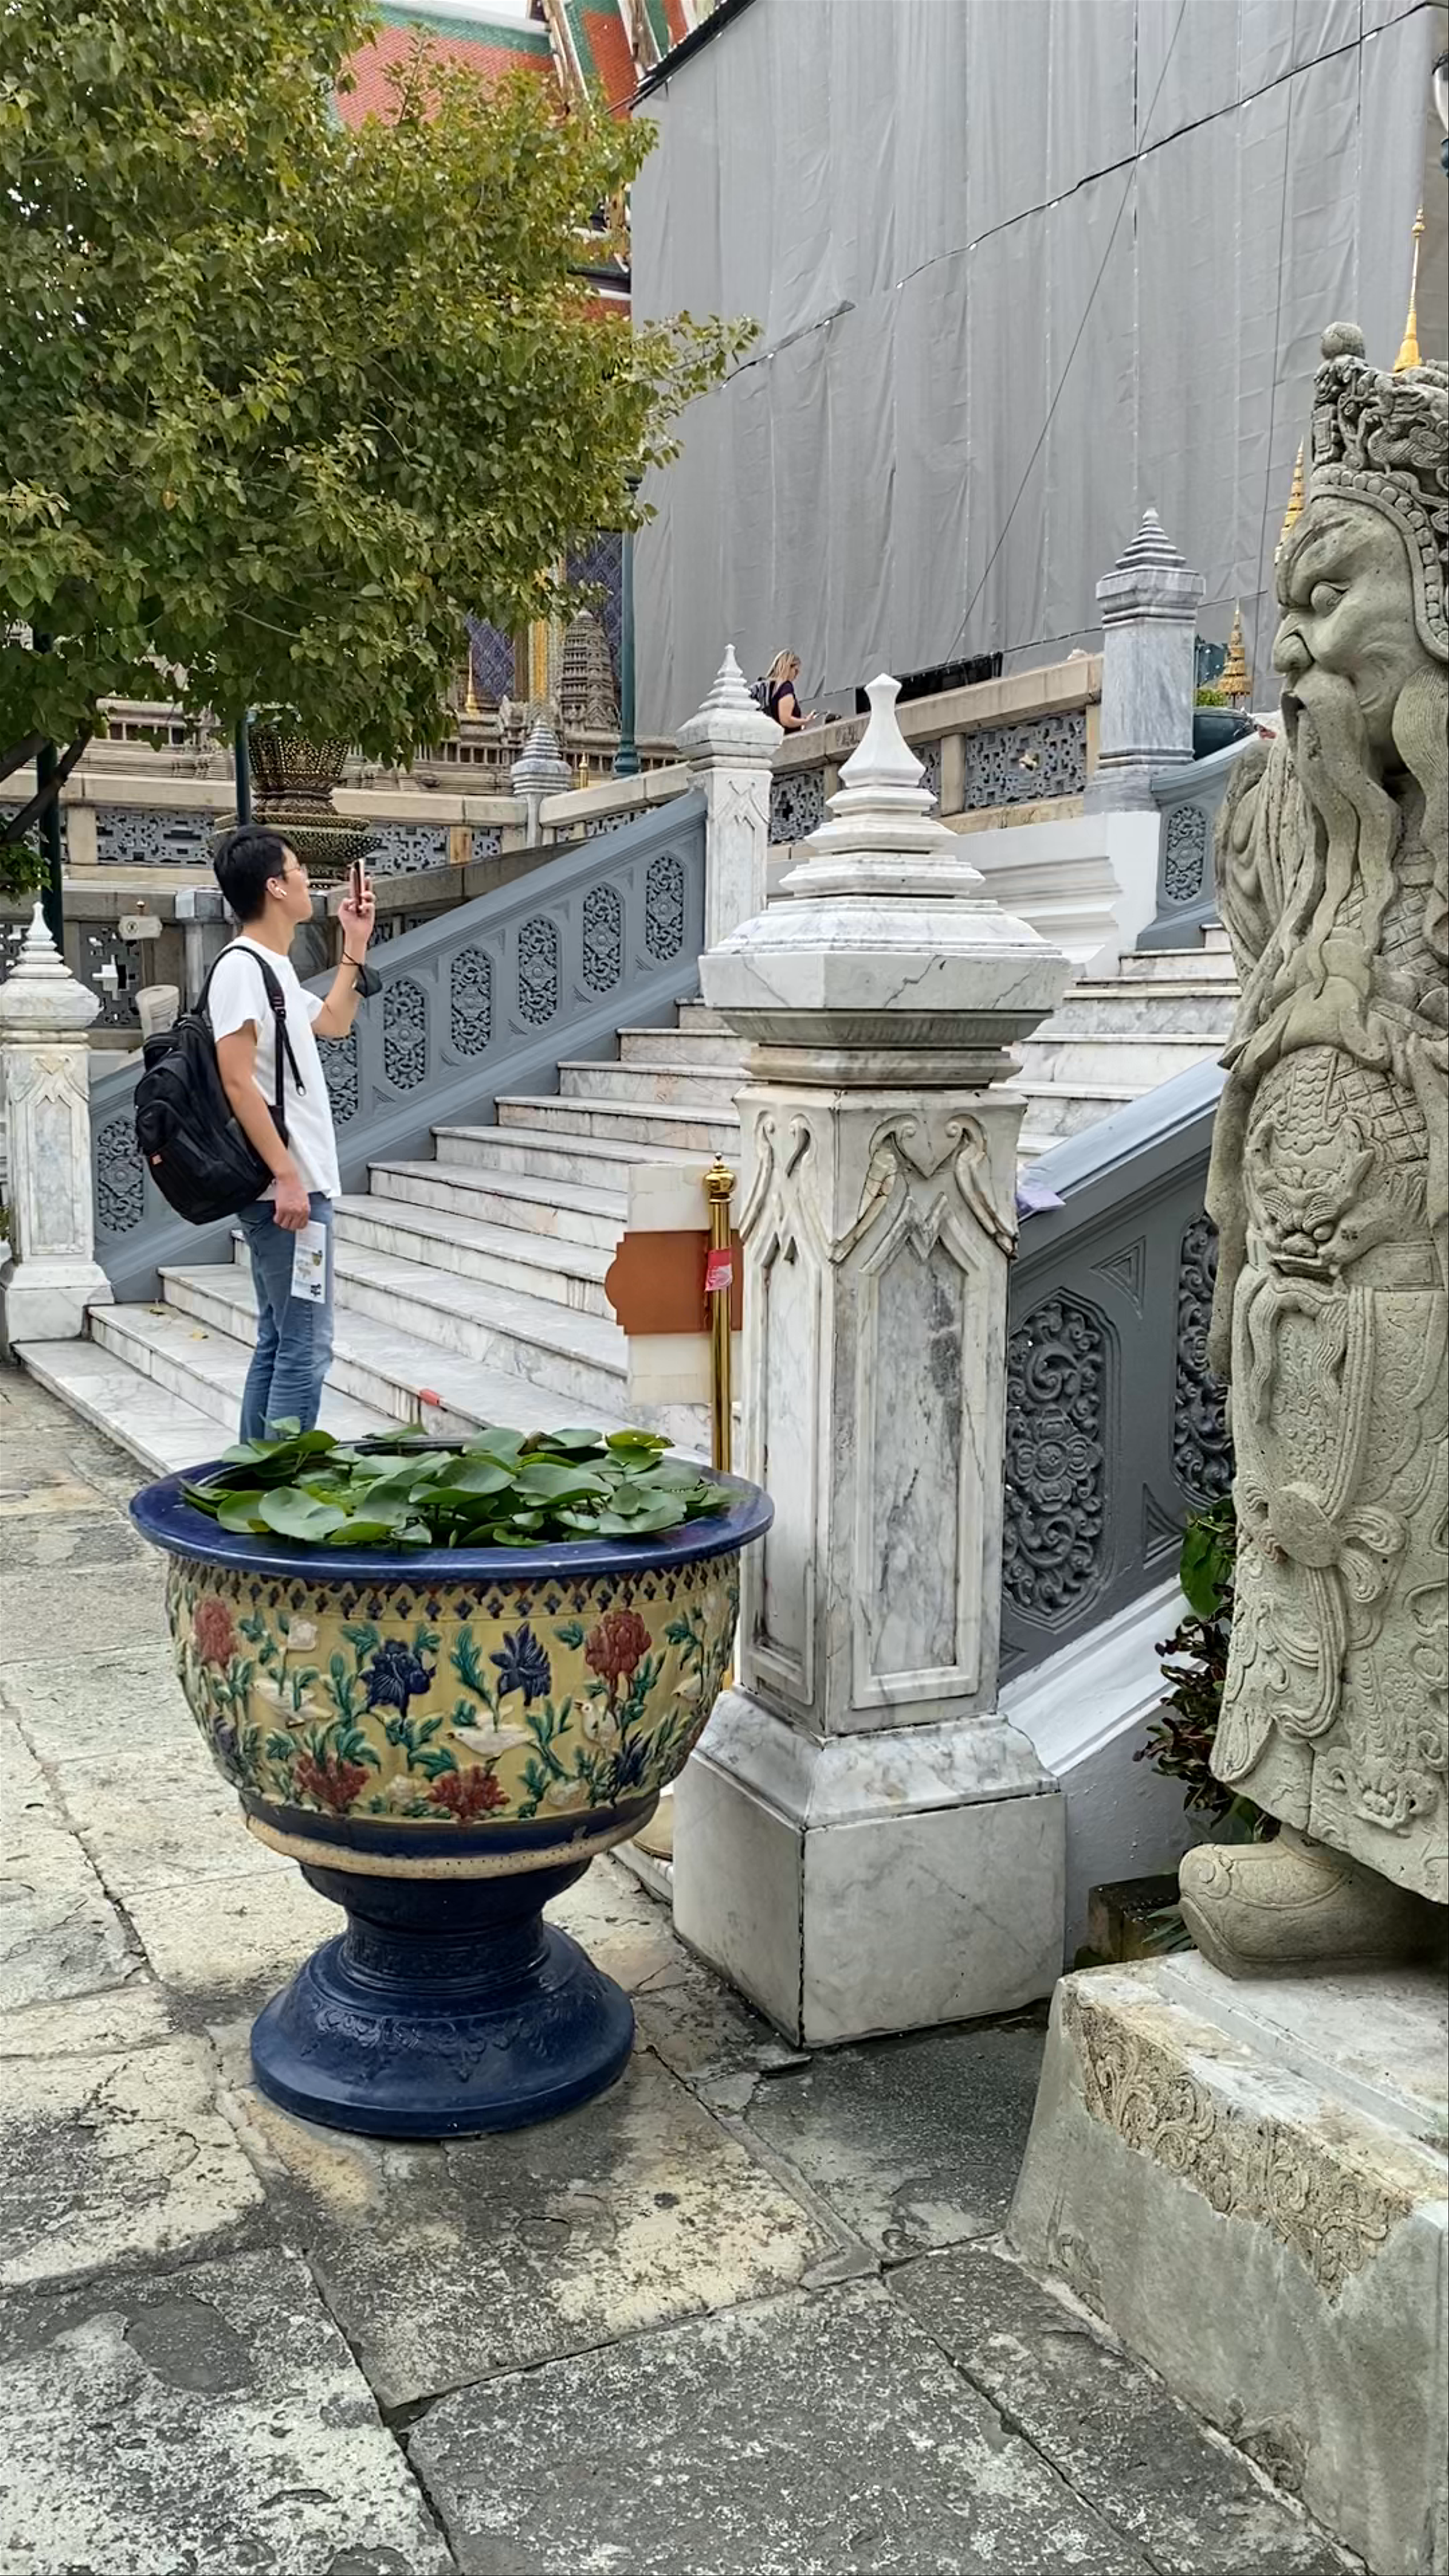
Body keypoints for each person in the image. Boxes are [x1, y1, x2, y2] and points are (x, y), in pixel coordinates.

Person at [208, 825, 376, 1440]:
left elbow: (332, 1021)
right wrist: (286, 1175)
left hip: (294, 1186)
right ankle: (284, 1480)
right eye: (300, 869)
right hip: (287, 1192)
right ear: (276, 886)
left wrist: (355, 942)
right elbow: (236, 1080)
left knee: (282, 1338)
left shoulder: (271, 967)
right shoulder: (241, 969)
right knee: (307, 1344)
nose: (308, 880)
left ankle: (253, 1476)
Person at [763, 651, 817, 732]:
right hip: (787, 737)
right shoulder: (786, 687)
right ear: (788, 667)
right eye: (796, 671)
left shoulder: (768, 688)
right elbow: (786, 720)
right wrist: (806, 721)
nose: (797, 675)